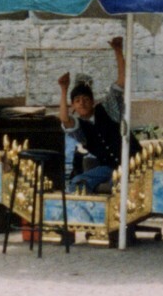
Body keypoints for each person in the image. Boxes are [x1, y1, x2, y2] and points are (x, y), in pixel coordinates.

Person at [57, 37, 139, 193]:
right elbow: (65, 119)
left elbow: (121, 82)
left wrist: (117, 50)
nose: (82, 103)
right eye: (77, 100)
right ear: (73, 105)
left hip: (133, 164)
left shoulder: (107, 109)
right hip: (109, 168)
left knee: (119, 187)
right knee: (77, 183)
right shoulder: (80, 129)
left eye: (86, 99)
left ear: (93, 101)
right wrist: (63, 89)